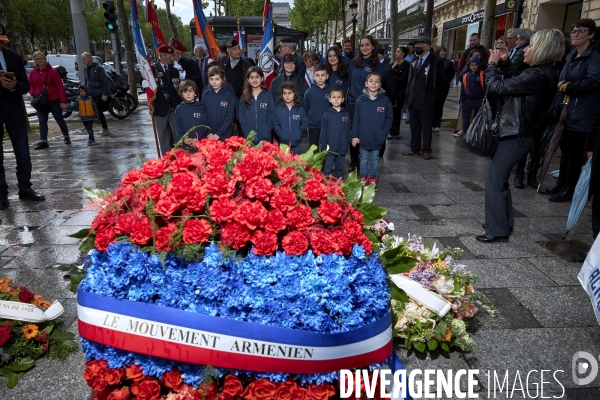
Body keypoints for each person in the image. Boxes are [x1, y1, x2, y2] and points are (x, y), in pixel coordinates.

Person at [478, 29, 563, 243]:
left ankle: (497, 230)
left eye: (531, 45)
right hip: (520, 134)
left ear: (543, 50)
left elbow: (496, 87)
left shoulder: (537, 74)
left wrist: (491, 65)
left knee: (495, 179)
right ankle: (501, 223)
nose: (525, 49)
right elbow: (518, 81)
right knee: (499, 179)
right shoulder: (540, 72)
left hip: (517, 135)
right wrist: (506, 62)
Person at [545, 19, 600, 202]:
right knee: (565, 150)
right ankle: (561, 184)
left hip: (582, 112)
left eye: (580, 31)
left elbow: (594, 82)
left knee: (574, 153)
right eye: (573, 31)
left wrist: (569, 87)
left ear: (591, 35)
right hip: (566, 111)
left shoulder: (594, 57)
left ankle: (569, 190)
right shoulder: (571, 56)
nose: (575, 34)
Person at [0, 24, 46, 209]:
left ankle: (25, 188)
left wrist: (14, 86)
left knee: (24, 155)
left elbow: (25, 86)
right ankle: (2, 195)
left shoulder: (14, 57)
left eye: (2, 42)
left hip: (15, 113)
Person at [347, 35, 395, 170]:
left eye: (367, 45)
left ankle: (371, 158)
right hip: (353, 101)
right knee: (354, 130)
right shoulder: (353, 63)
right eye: (361, 45)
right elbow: (349, 81)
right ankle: (354, 161)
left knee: (369, 129)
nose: (364, 48)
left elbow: (380, 83)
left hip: (370, 103)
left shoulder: (377, 65)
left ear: (373, 46)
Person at [403, 36, 446, 160]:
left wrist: (435, 97)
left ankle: (426, 149)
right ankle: (414, 147)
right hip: (413, 98)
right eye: (416, 44)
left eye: (420, 44)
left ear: (427, 46)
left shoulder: (435, 61)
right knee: (414, 125)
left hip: (427, 100)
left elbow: (442, 82)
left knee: (426, 126)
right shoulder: (415, 60)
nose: (417, 47)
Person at [350, 72, 392, 188]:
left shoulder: (385, 101)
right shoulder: (360, 100)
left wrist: (383, 134)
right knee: (363, 159)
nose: (373, 83)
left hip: (377, 138)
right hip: (363, 137)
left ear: (380, 84)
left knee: (374, 160)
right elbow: (356, 120)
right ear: (366, 84)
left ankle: (373, 179)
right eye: (371, 81)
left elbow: (389, 119)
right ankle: (363, 178)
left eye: (376, 81)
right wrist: (354, 136)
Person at [28, 51, 71, 149]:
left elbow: (60, 87)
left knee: (59, 118)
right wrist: (33, 93)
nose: (40, 60)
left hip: (54, 99)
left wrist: (63, 101)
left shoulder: (53, 72)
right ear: (35, 61)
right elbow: (30, 85)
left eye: (41, 58)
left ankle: (66, 136)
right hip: (40, 100)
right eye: (37, 59)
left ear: (45, 59)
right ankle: (43, 141)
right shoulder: (32, 72)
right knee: (42, 121)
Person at [145, 44, 182, 156]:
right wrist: (145, 86)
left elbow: (177, 89)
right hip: (159, 106)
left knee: (178, 133)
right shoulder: (152, 70)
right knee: (163, 135)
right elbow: (150, 89)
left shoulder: (175, 71)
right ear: (163, 56)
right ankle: (167, 158)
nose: (173, 57)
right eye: (171, 55)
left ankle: (179, 157)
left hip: (174, 106)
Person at [238, 66, 275, 144]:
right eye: (251, 77)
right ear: (248, 79)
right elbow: (241, 115)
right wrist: (245, 129)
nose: (254, 80)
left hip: (265, 137)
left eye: (257, 77)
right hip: (249, 137)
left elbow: (272, 114)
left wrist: (267, 129)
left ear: (262, 78)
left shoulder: (267, 95)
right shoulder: (244, 96)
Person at [320, 88, 351, 179]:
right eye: (334, 97)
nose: (336, 99)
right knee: (328, 167)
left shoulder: (346, 114)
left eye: (339, 97)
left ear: (343, 99)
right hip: (330, 147)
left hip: (342, 146)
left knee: (339, 167)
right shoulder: (327, 114)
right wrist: (323, 145)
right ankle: (325, 182)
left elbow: (349, 129)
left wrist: (350, 140)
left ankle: (337, 181)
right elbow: (323, 131)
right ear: (329, 99)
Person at [203, 66, 236, 141]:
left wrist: (219, 133)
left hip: (224, 135)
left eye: (217, 79)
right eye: (211, 79)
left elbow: (229, 117)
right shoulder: (206, 95)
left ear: (223, 79)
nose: (214, 82)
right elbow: (203, 115)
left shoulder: (228, 95)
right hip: (209, 135)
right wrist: (208, 132)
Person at [274, 82, 307, 154]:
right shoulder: (279, 110)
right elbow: (276, 124)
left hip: (296, 143)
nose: (287, 96)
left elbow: (304, 123)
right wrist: (281, 134)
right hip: (283, 143)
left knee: (295, 163)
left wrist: (299, 133)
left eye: (289, 93)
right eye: (284, 93)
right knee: (284, 164)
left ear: (295, 94)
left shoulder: (299, 109)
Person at [81, 52, 110, 136]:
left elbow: (105, 81)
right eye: (82, 59)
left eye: (84, 59)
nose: (83, 61)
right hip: (91, 93)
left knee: (98, 110)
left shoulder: (99, 68)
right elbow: (86, 81)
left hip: (99, 93)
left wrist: (105, 94)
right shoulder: (85, 69)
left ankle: (105, 128)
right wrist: (84, 91)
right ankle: (95, 128)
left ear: (89, 59)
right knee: (93, 111)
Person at [304, 63, 332, 148]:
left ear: (327, 76)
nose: (320, 78)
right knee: (313, 149)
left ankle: (325, 162)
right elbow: (306, 107)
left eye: (323, 75)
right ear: (313, 76)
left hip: (328, 125)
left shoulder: (331, 91)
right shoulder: (309, 92)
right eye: (317, 75)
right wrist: (309, 121)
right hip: (313, 125)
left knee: (326, 149)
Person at [432, 46, 455, 132]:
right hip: (434, 87)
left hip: (443, 87)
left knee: (439, 105)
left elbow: (452, 73)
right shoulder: (434, 61)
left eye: (444, 51)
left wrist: (446, 81)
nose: (443, 53)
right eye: (442, 51)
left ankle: (437, 124)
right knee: (432, 105)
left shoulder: (448, 62)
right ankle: (431, 123)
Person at [459, 56, 485, 134]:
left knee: (477, 119)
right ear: (469, 66)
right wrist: (462, 99)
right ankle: (465, 134)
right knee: (466, 119)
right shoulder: (465, 75)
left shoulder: (482, 74)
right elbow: (463, 88)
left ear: (478, 65)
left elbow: (485, 87)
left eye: (475, 65)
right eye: (472, 65)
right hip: (468, 100)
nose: (473, 67)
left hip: (478, 100)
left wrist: (483, 98)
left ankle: (475, 134)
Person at [388, 46, 409, 139]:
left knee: (397, 111)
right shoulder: (393, 64)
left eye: (398, 51)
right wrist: (392, 67)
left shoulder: (407, 65)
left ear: (402, 54)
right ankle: (391, 132)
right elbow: (387, 75)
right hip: (392, 91)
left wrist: (393, 79)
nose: (396, 53)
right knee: (391, 112)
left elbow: (403, 78)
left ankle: (396, 132)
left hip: (400, 91)